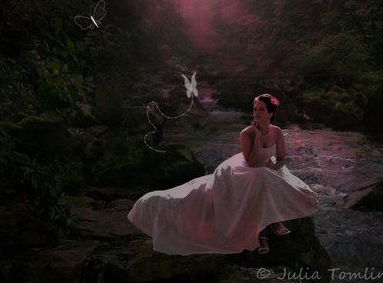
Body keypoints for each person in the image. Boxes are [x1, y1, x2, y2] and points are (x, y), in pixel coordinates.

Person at [127, 93, 319, 255]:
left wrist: (275, 167)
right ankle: (265, 232)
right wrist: (259, 136)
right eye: (254, 109)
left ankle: (269, 226)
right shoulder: (247, 133)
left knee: (274, 180)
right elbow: (251, 162)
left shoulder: (277, 132)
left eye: (261, 109)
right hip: (242, 170)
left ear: (270, 113)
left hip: (267, 169)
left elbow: (282, 158)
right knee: (260, 177)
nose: (256, 112)